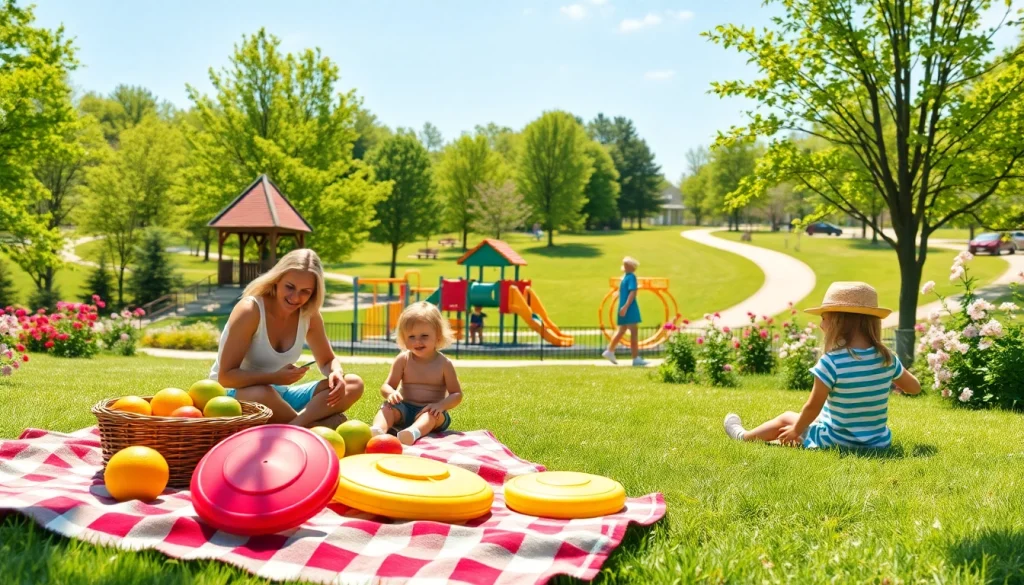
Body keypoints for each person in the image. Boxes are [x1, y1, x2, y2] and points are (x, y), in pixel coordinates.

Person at [723, 282, 921, 448]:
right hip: (878, 443)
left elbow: (812, 407)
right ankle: (791, 439)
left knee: (787, 419)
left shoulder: (832, 362)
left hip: (838, 440)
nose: (821, 325)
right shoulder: (887, 358)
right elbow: (914, 388)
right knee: (816, 422)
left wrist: (796, 429)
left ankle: (743, 437)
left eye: (824, 318)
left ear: (839, 322)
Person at [209, 249, 364, 427]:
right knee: (263, 394)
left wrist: (335, 372)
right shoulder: (250, 310)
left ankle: (296, 426)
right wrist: (274, 377)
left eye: (305, 291)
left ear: (314, 292)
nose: (296, 297)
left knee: (353, 383)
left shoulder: (309, 315)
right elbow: (226, 377)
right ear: (276, 280)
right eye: (290, 287)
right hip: (234, 396)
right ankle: (311, 427)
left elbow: (328, 360)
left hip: (279, 396)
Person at [371, 302, 463, 445]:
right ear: (404, 338)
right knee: (387, 407)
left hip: (431, 411)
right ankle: (378, 431)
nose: (417, 341)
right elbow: (387, 386)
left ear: (438, 336)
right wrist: (391, 393)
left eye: (424, 335)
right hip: (404, 409)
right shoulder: (403, 359)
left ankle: (412, 434)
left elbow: (456, 394)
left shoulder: (444, 364)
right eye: (411, 336)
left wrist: (440, 405)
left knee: (431, 416)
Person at [602, 256, 646, 366]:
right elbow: (632, 293)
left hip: (622, 308)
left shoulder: (624, 278)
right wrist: (626, 306)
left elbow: (623, 292)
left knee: (621, 330)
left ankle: (610, 351)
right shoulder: (631, 277)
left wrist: (623, 306)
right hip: (629, 308)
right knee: (634, 333)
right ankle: (635, 358)